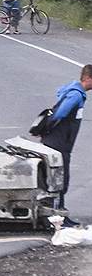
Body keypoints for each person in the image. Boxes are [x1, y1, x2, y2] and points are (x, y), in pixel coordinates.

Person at [41, 64, 92, 220]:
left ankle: (55, 214)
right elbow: (61, 113)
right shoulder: (76, 95)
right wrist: (48, 128)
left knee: (58, 178)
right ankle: (58, 216)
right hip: (59, 143)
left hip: (58, 141)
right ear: (88, 78)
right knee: (60, 180)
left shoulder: (74, 91)